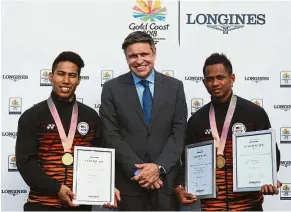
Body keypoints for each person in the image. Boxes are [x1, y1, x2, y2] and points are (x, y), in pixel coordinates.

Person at [175, 53, 281, 211]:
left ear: (232, 79)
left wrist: (268, 178)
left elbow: (272, 154)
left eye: (220, 77)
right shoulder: (196, 120)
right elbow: (186, 162)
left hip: (248, 206)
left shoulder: (254, 113)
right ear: (204, 82)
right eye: (210, 79)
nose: (215, 83)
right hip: (212, 207)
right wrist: (181, 187)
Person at [16, 51, 120, 211]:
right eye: (61, 74)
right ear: (51, 77)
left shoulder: (91, 117)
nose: (66, 80)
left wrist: (106, 187)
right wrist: (56, 188)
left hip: (79, 205)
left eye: (72, 75)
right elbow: (25, 163)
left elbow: (100, 158)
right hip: (41, 205)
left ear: (78, 80)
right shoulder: (32, 117)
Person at [99, 31, 188, 211]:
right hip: (129, 186)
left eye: (144, 54)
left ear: (154, 52)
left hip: (165, 186)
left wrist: (159, 168)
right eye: (133, 56)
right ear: (126, 59)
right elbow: (111, 135)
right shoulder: (111, 88)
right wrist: (140, 172)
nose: (139, 60)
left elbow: (178, 134)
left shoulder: (175, 87)